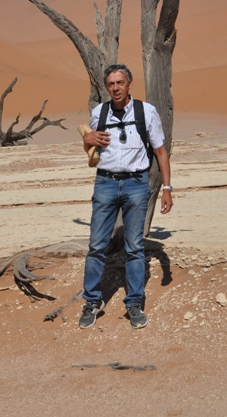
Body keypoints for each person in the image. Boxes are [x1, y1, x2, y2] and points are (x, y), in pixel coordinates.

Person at [79, 63, 173, 329]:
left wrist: (167, 189)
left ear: (130, 84)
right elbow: (87, 144)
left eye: (120, 82)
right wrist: (89, 140)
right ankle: (92, 302)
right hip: (106, 184)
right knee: (97, 245)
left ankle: (133, 303)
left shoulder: (147, 111)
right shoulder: (100, 112)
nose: (115, 88)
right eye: (111, 84)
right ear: (107, 87)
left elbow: (161, 152)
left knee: (135, 247)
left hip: (136, 185)